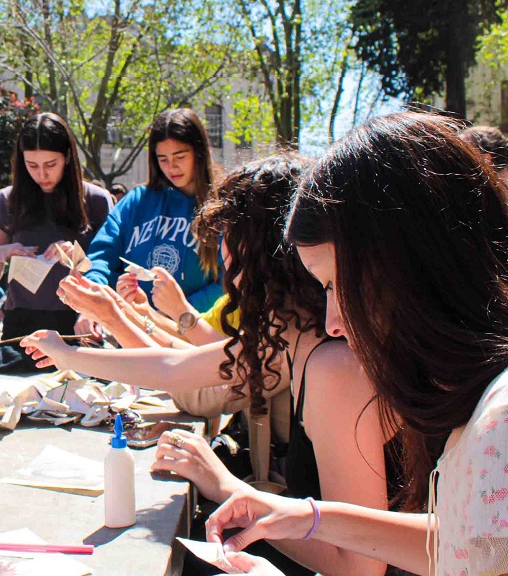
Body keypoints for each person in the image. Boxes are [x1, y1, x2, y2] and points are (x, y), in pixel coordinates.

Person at [26, 157, 395, 576]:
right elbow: (172, 366)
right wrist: (69, 354)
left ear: (261, 255)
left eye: (227, 239)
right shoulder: (292, 330)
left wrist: (225, 486)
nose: (221, 257)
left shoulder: (331, 362)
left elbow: (361, 568)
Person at [200, 112, 508, 576]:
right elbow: (469, 541)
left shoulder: (498, 421)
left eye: (337, 285)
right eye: (322, 289)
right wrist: (312, 518)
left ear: (411, 264)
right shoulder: (476, 400)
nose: (334, 322)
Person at [0, 112, 112, 371]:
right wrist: (0, 253)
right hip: (21, 324)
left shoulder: (96, 200)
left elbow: (109, 267)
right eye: (32, 165)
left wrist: (74, 255)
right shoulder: (8, 199)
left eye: (51, 164)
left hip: (78, 322)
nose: (42, 175)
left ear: (68, 157)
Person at [81, 108, 223, 338]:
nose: (171, 167)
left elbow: (229, 281)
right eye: (163, 159)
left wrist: (174, 310)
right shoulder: (137, 201)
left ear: (199, 152)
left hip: (195, 335)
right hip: (135, 332)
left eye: (180, 156)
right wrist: (93, 298)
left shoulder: (221, 207)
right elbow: (101, 257)